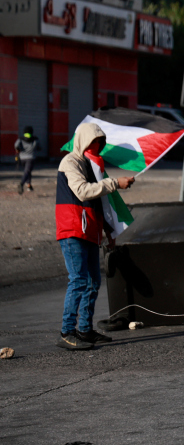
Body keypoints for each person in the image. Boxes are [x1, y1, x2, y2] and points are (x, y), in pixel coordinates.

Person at [56, 123, 134, 350]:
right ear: (83, 141)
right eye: (94, 142)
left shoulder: (93, 166)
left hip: (89, 230)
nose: (97, 147)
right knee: (79, 280)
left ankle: (85, 330)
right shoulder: (70, 162)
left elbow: (99, 202)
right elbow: (83, 191)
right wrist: (114, 183)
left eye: (100, 143)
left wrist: (108, 230)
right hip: (72, 230)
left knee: (93, 282)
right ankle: (66, 331)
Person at [14, 126, 40, 194]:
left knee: (27, 171)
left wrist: (18, 149)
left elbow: (16, 145)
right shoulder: (35, 139)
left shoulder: (20, 139)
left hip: (22, 158)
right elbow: (39, 147)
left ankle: (29, 185)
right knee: (27, 171)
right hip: (31, 158)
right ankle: (21, 184)